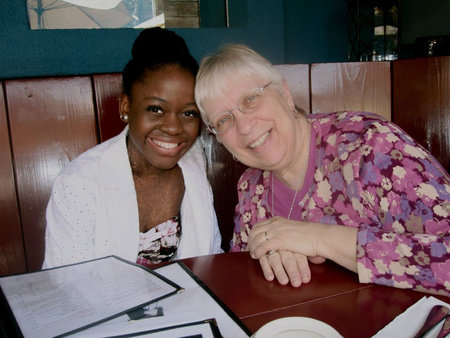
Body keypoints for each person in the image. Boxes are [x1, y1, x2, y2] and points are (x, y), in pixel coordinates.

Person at [194, 44, 450, 296]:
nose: (245, 127)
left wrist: (320, 238)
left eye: (250, 99)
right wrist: (266, 252)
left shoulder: (371, 145)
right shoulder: (251, 187)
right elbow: (242, 272)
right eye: (223, 120)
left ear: (285, 94)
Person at [42, 27, 223, 269]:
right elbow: (67, 284)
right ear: (126, 106)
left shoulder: (193, 164)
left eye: (188, 113)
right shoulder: (79, 184)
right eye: (156, 109)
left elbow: (211, 254)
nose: (173, 127)